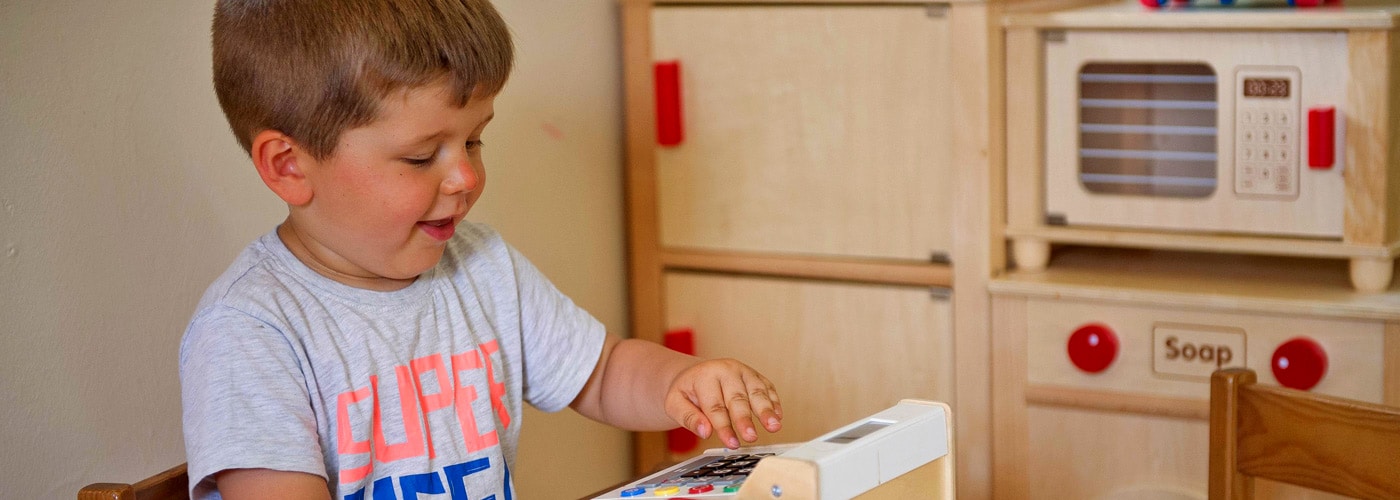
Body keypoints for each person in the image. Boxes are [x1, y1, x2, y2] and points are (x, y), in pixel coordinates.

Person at [179, 1, 783, 498]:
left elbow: (599, 374)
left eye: (475, 140)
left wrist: (683, 381)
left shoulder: (479, 263)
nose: (465, 178)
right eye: (421, 157)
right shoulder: (248, 331)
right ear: (289, 166)